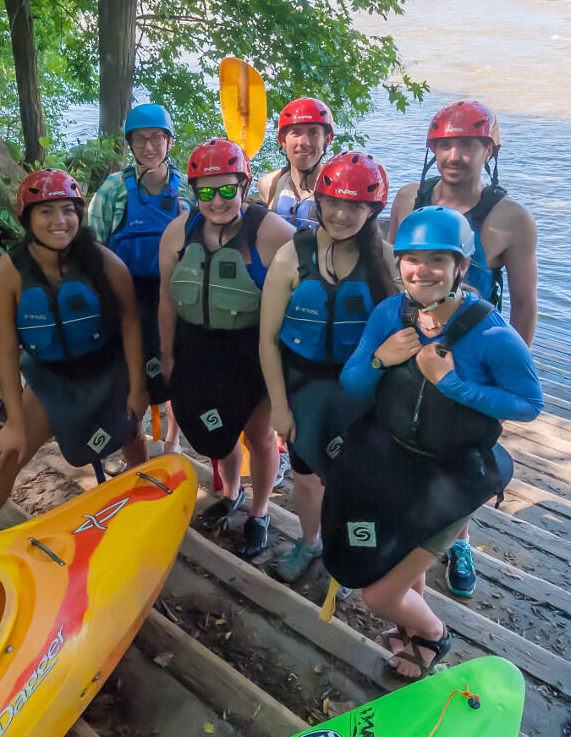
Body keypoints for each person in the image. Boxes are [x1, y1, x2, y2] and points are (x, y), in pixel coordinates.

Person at [325, 206, 543, 679]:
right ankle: (410, 631)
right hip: (399, 465)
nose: (422, 270)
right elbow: (353, 383)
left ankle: (433, 636)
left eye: (438, 260)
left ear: (461, 268)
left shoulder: (491, 335)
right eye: (411, 259)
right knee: (406, 565)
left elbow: (528, 404)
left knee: (379, 594)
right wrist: (381, 360)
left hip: (456, 478)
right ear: (397, 263)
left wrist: (454, 385)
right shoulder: (391, 314)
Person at [388, 99, 538, 597]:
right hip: (410, 342)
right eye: (445, 144)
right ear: (432, 149)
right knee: (406, 440)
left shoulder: (509, 219)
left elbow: (523, 305)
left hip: (470, 356)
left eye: (467, 144)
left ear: (488, 150)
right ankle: (408, 532)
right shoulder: (409, 198)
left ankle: (458, 539)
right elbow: (396, 278)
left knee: (461, 454)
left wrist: (505, 373)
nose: (455, 155)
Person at [0, 170, 150, 540]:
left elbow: (131, 322)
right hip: (52, 379)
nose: (59, 221)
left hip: (107, 370)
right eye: (46, 211)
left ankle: (145, 498)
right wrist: (14, 423)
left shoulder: (104, 262)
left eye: (68, 210)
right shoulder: (7, 274)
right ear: (27, 219)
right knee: (3, 457)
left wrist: (136, 386)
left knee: (129, 432)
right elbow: (4, 351)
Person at [258, 151, 398, 583]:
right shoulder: (291, 256)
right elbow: (267, 339)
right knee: (306, 476)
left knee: (358, 480)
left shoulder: (387, 260)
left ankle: (352, 550)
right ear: (318, 201)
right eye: (333, 202)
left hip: (363, 391)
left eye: (355, 206)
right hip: (305, 389)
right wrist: (279, 408)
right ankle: (311, 540)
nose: (341, 214)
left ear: (372, 209)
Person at [158, 138, 295, 558]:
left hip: (251, 354)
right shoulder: (179, 231)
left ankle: (259, 513)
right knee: (220, 432)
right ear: (193, 190)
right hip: (197, 348)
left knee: (259, 435)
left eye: (225, 190)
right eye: (205, 191)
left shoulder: (272, 233)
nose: (215, 201)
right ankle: (232, 493)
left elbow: (303, 298)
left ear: (243, 185)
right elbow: (166, 297)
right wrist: (167, 355)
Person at [89, 102, 192, 437]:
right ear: (129, 144)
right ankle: (133, 443)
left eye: (156, 138)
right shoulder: (113, 189)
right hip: (127, 295)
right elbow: (94, 245)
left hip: (174, 293)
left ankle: (172, 441)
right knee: (130, 374)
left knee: (174, 367)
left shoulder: (187, 189)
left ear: (169, 141)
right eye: (140, 140)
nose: (149, 147)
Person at [255, 97, 334, 229]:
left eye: (313, 132)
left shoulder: (335, 189)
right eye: (296, 133)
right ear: (282, 141)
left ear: (327, 139)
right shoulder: (269, 184)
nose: (304, 142)